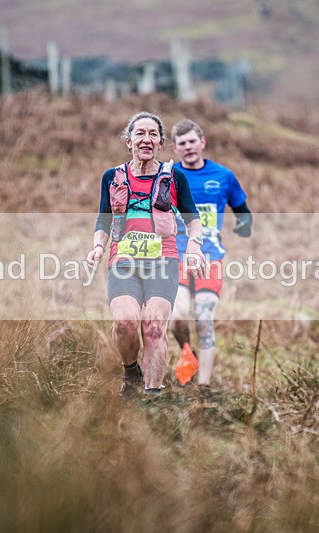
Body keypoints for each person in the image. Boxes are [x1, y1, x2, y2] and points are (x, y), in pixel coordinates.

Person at [87, 111, 205, 396]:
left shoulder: (174, 177)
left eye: (153, 134)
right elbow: (103, 221)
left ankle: (152, 398)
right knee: (125, 322)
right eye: (140, 133)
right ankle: (131, 372)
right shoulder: (112, 177)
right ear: (128, 141)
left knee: (153, 327)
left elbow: (194, 221)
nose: (147, 139)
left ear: (161, 142)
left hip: (163, 261)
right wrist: (98, 247)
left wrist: (193, 246)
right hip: (123, 261)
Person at [169, 118, 252, 386]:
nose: (189, 147)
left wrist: (244, 225)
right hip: (176, 256)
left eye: (193, 141)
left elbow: (243, 212)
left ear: (202, 142)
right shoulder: (169, 176)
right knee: (177, 316)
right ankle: (187, 354)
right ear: (175, 148)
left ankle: (203, 388)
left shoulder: (223, 176)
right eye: (182, 143)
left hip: (210, 258)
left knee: (204, 318)